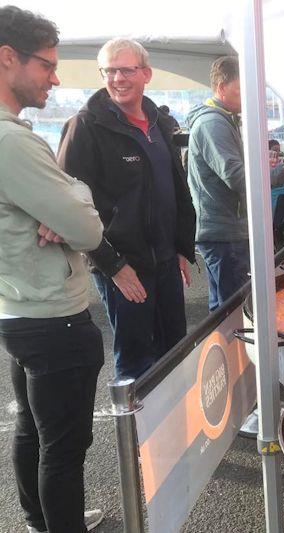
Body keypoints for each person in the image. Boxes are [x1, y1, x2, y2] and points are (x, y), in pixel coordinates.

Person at [0, 6, 105, 532]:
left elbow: (69, 216)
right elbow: (88, 230)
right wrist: (74, 196)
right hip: (52, 316)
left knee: (33, 429)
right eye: (47, 64)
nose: (56, 77)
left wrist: (61, 204)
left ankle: (40, 521)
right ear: (7, 58)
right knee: (64, 447)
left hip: (18, 307)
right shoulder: (12, 141)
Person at [58, 38, 196, 380]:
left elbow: (176, 189)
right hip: (124, 266)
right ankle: (136, 435)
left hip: (165, 261)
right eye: (109, 70)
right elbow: (66, 207)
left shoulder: (161, 123)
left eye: (126, 70)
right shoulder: (86, 126)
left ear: (146, 73)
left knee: (175, 352)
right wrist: (112, 266)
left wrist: (181, 247)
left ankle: (175, 431)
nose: (118, 78)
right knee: (136, 361)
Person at [186, 56, 284, 312]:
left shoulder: (223, 119)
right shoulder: (213, 123)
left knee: (229, 307)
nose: (249, 97)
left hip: (226, 230)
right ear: (221, 87)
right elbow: (237, 177)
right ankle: (237, 352)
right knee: (232, 311)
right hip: (223, 233)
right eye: (243, 89)